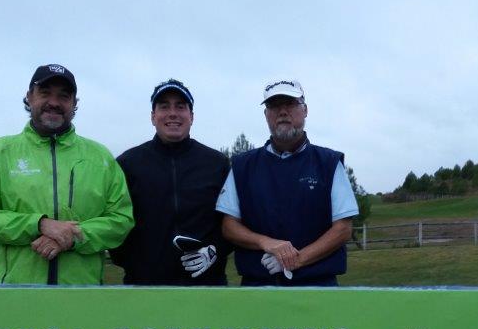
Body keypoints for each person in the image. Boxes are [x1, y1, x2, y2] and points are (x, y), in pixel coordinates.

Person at [0, 63, 134, 285]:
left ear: (74, 104)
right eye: (45, 93)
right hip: (14, 297)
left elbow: (120, 220)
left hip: (83, 296)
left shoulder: (100, 157)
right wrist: (39, 225)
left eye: (63, 96)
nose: (53, 102)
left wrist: (71, 237)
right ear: (29, 97)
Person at [216, 79, 357, 286]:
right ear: (266, 115)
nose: (283, 111)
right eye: (274, 106)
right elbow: (229, 226)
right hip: (258, 288)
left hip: (318, 288)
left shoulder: (329, 163)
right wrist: (267, 243)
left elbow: (343, 228)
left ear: (305, 110)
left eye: (290, 104)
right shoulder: (242, 166)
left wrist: (295, 259)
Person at [111, 79, 231, 285]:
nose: (172, 113)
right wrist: (134, 262)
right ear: (153, 116)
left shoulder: (217, 163)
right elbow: (114, 218)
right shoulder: (127, 163)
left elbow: (232, 222)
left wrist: (215, 250)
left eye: (180, 107)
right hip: (144, 286)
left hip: (207, 286)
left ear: (191, 116)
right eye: (164, 106)